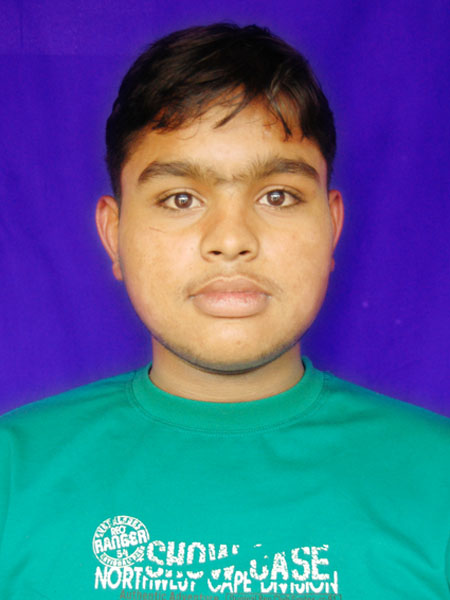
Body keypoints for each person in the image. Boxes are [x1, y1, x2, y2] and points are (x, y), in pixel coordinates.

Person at [0, 23, 449, 600]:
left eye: (277, 196)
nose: (232, 240)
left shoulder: (438, 481)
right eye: (180, 198)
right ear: (114, 235)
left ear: (332, 226)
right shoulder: (12, 479)